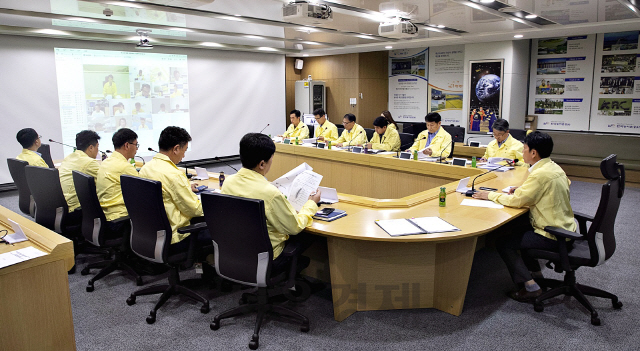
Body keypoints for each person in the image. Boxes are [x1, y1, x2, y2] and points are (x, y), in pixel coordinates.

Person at [472, 131, 576, 302]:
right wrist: (520, 189)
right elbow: (546, 188)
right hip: (565, 226)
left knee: (504, 243)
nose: (522, 153)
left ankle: (531, 286)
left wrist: (488, 195)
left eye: (525, 149)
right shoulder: (553, 167)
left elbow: (518, 201)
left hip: (552, 233)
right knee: (518, 230)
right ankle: (536, 275)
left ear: (533, 152)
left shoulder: (540, 174)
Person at [221, 133, 321, 268]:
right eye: (271, 159)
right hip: (267, 259)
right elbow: (294, 227)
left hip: (236, 252)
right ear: (262, 164)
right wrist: (311, 204)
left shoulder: (228, 182)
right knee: (311, 235)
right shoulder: (270, 193)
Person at [139, 126, 207, 247]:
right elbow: (195, 209)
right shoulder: (174, 175)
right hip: (176, 237)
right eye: (184, 150)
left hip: (151, 234)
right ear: (176, 149)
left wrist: (185, 188)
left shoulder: (146, 168)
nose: (184, 156)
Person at [97, 128, 139, 224]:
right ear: (127, 145)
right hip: (120, 219)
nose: (136, 148)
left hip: (106, 216)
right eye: (136, 145)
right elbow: (143, 192)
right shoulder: (124, 167)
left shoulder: (106, 162)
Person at [58, 130, 101, 213]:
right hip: (74, 210)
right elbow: (105, 182)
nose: (98, 151)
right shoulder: (89, 162)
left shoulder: (69, 157)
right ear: (91, 147)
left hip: (62, 207)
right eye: (97, 147)